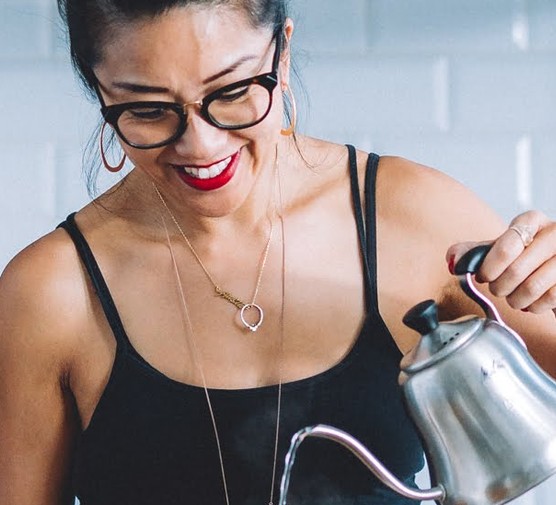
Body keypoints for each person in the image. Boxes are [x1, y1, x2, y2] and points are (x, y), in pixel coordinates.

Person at [1, 1, 555, 504]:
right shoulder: (50, 293)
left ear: (283, 54)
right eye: (148, 110)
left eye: (234, 91)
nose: (202, 145)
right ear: (100, 93)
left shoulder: (413, 220)